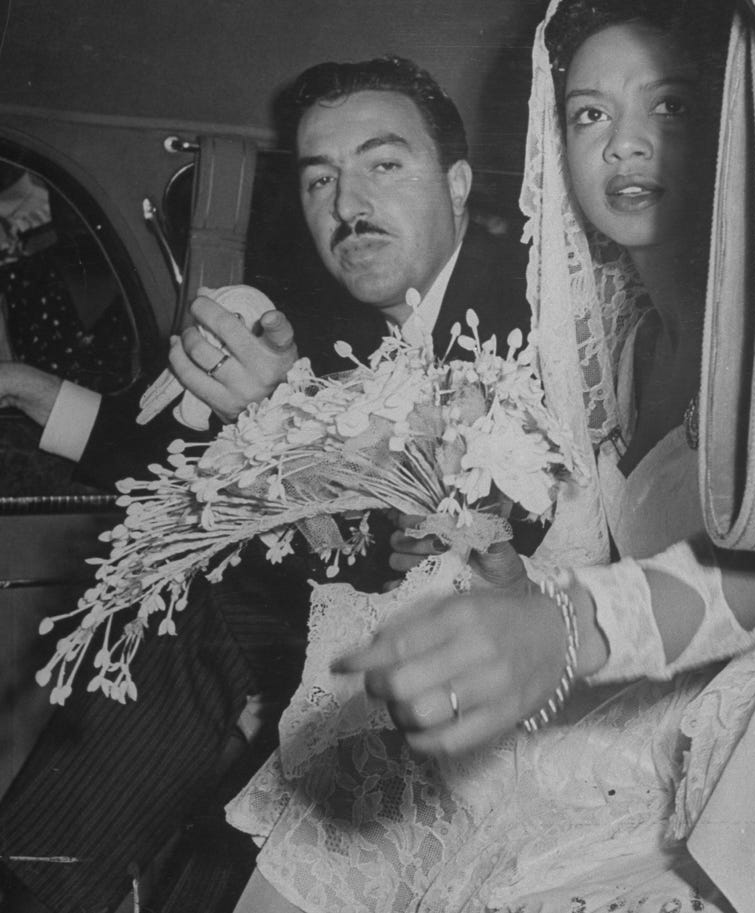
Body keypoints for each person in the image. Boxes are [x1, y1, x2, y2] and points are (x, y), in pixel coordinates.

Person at [225, 0, 755, 913]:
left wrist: (568, 625)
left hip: (733, 733)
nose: (624, 145)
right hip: (630, 677)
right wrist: (509, 580)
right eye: (590, 114)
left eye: (669, 107)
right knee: (357, 804)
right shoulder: (613, 336)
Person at [0, 57, 530, 913]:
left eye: (383, 165)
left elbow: (473, 540)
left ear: (459, 184)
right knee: (193, 586)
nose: (347, 203)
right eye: (321, 177)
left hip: (476, 667)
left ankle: (37, 880)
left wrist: (282, 412)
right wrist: (25, 386)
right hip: (343, 626)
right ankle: (39, 877)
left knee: (213, 621)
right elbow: (181, 463)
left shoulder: (518, 313)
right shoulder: (328, 321)